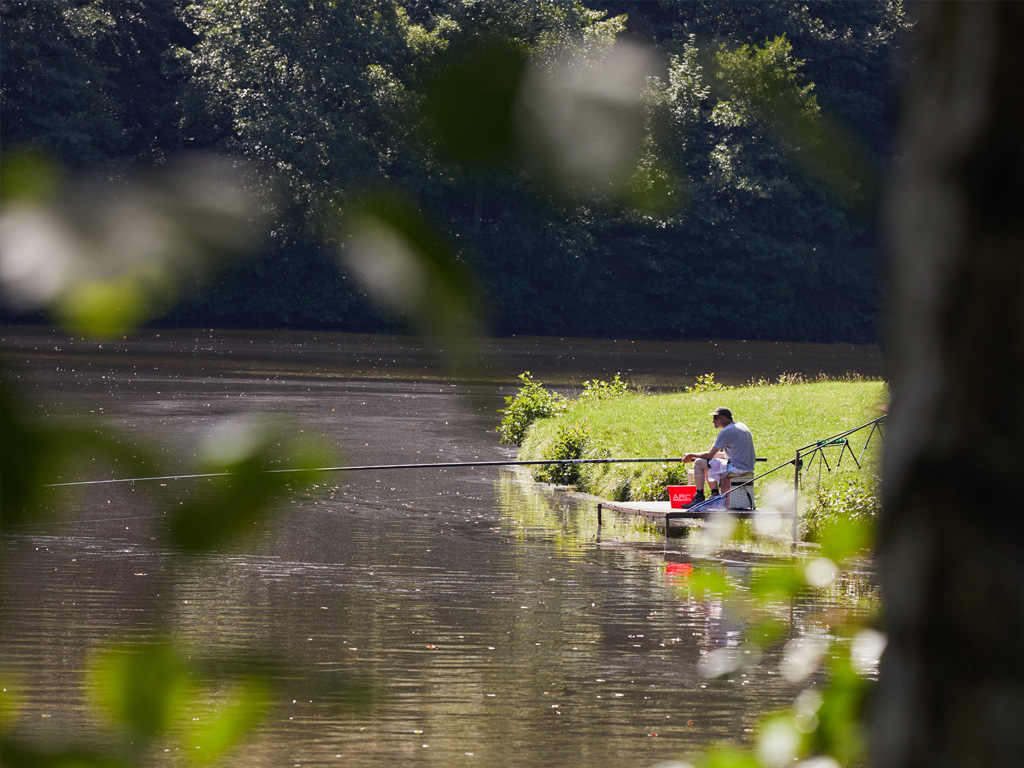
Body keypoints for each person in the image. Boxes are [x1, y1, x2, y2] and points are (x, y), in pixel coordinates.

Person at [681, 406, 756, 508]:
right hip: (747, 466)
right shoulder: (741, 426)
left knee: (699, 463)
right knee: (708, 463)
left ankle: (699, 497)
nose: (713, 421)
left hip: (736, 468)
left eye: (715, 418)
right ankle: (715, 494)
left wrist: (691, 455)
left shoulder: (726, 432)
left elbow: (710, 455)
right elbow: (727, 453)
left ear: (723, 418)